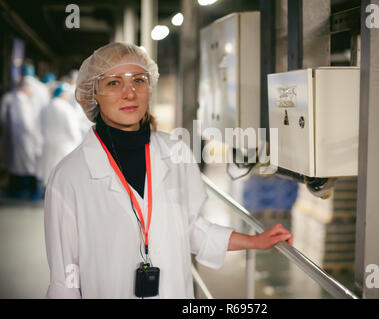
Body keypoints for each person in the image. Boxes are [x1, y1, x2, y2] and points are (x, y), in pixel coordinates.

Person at [44, 42, 293, 299]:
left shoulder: (177, 153)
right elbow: (65, 279)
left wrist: (254, 241)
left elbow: (192, 229)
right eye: (114, 83)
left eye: (138, 80)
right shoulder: (69, 177)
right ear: (93, 92)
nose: (129, 93)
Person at [38, 82, 83, 185]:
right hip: (64, 146)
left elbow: (40, 126)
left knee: (49, 172)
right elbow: (73, 130)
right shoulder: (66, 108)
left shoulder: (45, 108)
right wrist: (79, 145)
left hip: (48, 145)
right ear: (63, 94)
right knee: (61, 175)